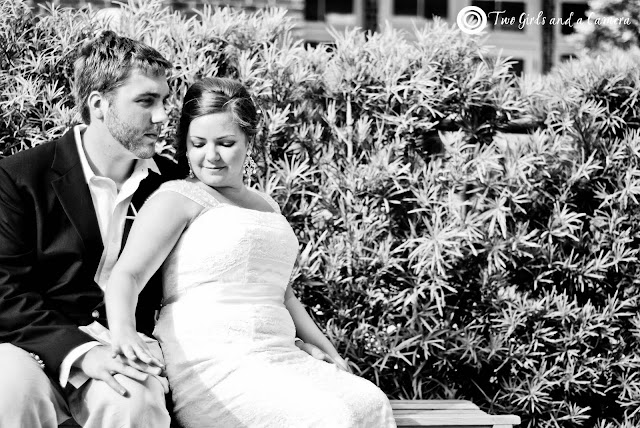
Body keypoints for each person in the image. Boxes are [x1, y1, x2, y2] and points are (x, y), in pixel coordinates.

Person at [105, 77, 397, 427]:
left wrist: (330, 353)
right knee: (331, 417)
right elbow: (127, 274)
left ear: (248, 141)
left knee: (370, 401)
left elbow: (283, 293)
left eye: (225, 143)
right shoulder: (176, 198)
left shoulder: (267, 204)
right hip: (214, 365)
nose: (210, 156)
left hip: (280, 356)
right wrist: (123, 333)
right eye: (198, 143)